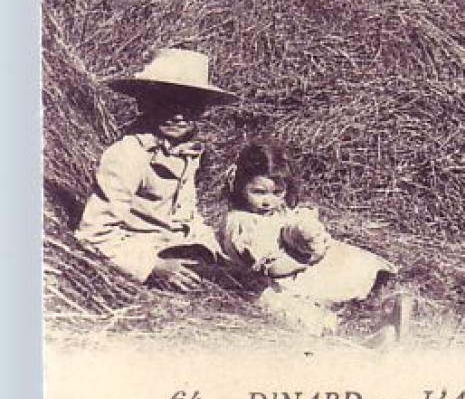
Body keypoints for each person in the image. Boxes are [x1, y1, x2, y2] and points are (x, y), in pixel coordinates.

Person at [76, 48, 236, 290]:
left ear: (201, 110)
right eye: (166, 102)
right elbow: (93, 235)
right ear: (145, 102)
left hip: (181, 251)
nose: (178, 115)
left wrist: (218, 253)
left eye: (190, 105)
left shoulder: (187, 151)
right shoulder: (128, 155)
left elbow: (185, 216)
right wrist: (154, 266)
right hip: (146, 256)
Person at [221, 141, 404, 337]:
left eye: (277, 193)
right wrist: (307, 259)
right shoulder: (241, 223)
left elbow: (294, 227)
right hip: (265, 282)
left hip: (294, 270)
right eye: (258, 192)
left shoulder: (276, 211)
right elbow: (272, 269)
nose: (268, 201)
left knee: (344, 265)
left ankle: (380, 305)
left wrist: (311, 237)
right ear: (240, 187)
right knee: (294, 310)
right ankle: (356, 335)